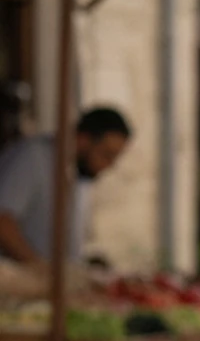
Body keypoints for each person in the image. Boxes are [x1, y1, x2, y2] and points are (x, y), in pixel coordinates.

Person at [0, 106, 131, 264]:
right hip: (22, 283)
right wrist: (38, 267)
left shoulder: (77, 173)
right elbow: (3, 221)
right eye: (106, 154)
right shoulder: (32, 158)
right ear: (83, 140)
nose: (109, 165)